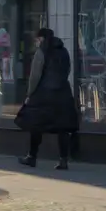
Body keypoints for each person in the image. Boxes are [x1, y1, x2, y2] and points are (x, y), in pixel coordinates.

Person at [16, 28, 80, 169]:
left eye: (37, 40)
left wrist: (29, 94)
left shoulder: (41, 52)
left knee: (36, 124)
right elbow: (67, 69)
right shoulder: (64, 51)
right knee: (62, 127)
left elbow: (35, 76)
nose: (36, 43)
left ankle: (32, 156)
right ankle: (63, 160)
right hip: (63, 92)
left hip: (43, 94)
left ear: (42, 39)